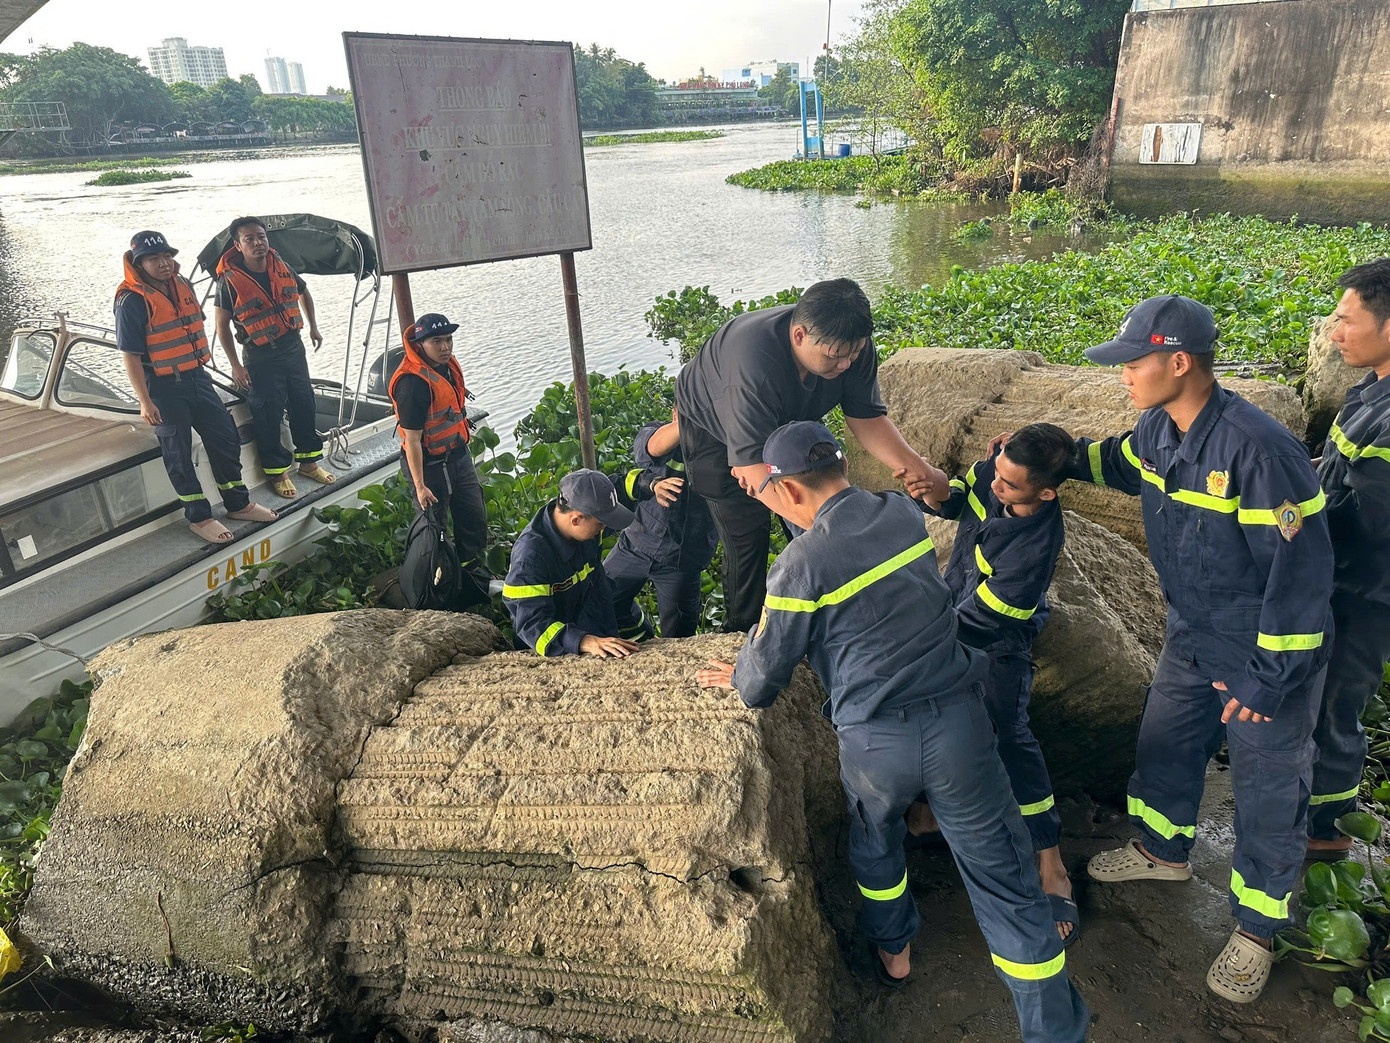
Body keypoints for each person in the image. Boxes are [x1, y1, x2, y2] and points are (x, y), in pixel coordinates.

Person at [697, 421, 1089, 1042]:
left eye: (764, 488)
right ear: (840, 466)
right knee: (1003, 880)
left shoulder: (799, 565)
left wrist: (742, 664)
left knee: (876, 839)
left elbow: (759, 682)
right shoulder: (900, 517)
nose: (760, 496)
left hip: (876, 741)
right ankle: (1054, 1029)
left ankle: (895, 949)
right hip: (959, 724)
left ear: (790, 491)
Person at [1066, 294, 1333, 1003]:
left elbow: (1301, 580)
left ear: (1178, 362)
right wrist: (1054, 455)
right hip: (1192, 632)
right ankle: (1162, 849)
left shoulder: (1259, 451)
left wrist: (1268, 681)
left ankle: (1255, 928)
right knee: (1163, 744)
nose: (1122, 374)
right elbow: (1121, 461)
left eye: (1133, 362)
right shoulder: (1159, 426)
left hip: (1262, 652)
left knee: (1269, 789)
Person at [675, 278, 947, 632]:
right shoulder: (751, 367)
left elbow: (866, 417)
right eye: (836, 357)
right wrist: (829, 530)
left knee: (817, 512)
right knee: (747, 536)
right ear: (799, 335)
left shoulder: (848, 344)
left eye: (855, 353)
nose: (847, 364)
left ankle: (825, 616)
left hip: (791, 421)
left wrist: (921, 471)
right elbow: (752, 468)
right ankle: (743, 632)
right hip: (717, 432)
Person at [917, 423, 1078, 943]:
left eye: (1009, 485)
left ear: (1046, 492)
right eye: (998, 472)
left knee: (1009, 736)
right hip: (956, 598)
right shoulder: (997, 469)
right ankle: (932, 813)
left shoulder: (1034, 548)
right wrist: (937, 489)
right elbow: (961, 499)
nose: (996, 487)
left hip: (997, 634)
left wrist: (921, 638)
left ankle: (1049, 857)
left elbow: (990, 618)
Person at [115, 230, 278, 544]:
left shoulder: (181, 284)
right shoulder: (130, 300)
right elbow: (131, 356)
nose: (164, 264)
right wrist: (145, 401)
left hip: (197, 377)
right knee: (178, 453)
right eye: (154, 259)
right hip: (162, 386)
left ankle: (238, 503)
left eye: (167, 256)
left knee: (226, 438)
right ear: (139, 263)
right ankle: (200, 517)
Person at [1307, 259, 1390, 857]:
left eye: (1346, 319)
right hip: (1338, 578)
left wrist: (1278, 521)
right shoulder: (1372, 389)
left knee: (1338, 700)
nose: (1335, 333)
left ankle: (1325, 833)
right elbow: (1334, 475)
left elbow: (1366, 519)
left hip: (1366, 592)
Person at [214, 215, 334, 500]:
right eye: (249, 239)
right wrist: (235, 365)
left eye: (261, 236)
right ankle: (277, 472)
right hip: (260, 354)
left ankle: (308, 462)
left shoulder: (280, 264)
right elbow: (221, 326)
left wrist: (313, 326)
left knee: (304, 401)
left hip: (292, 346)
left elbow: (303, 292)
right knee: (267, 412)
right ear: (238, 245)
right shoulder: (229, 280)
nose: (258, 243)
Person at [387, 312, 490, 594]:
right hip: (429, 465)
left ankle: (470, 575)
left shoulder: (446, 367)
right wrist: (420, 486)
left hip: (457, 456)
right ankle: (431, 587)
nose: (445, 347)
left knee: (474, 518)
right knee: (434, 529)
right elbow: (413, 440)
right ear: (420, 344)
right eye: (436, 341)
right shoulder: (412, 384)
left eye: (448, 340)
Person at [504, 469, 641, 658]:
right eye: (601, 524)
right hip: (555, 645)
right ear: (576, 519)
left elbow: (595, 584)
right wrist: (582, 641)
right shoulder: (530, 557)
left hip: (593, 617)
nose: (604, 528)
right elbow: (531, 624)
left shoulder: (585, 527)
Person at [606, 411, 719, 640]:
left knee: (678, 635)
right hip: (635, 543)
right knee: (603, 599)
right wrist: (693, 418)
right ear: (674, 414)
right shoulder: (656, 432)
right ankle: (643, 636)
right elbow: (651, 447)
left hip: (682, 559)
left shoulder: (723, 445)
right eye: (684, 415)